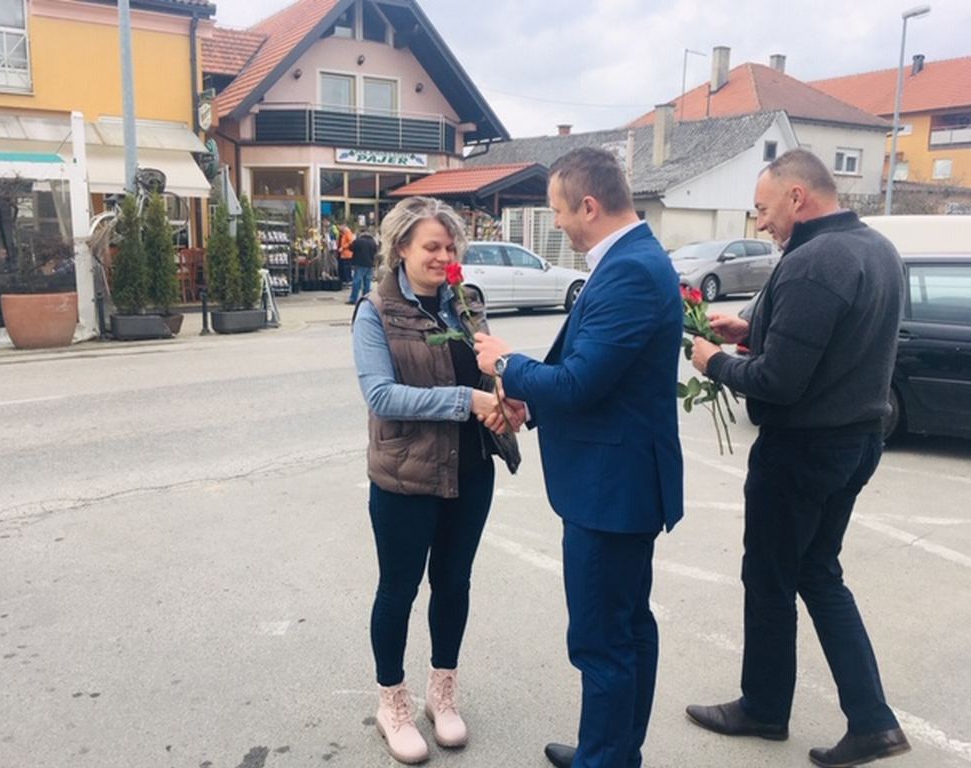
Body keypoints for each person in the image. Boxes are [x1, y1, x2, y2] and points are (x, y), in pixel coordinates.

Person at [685, 149, 910, 768]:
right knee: (817, 571)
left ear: (796, 197)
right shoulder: (877, 249)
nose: (760, 222)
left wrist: (715, 362)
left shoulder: (814, 262)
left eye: (763, 208)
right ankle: (873, 721)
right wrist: (752, 333)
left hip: (804, 449)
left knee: (770, 577)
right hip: (857, 440)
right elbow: (833, 346)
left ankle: (763, 707)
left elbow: (780, 382)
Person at [474, 147, 684, 768]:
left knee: (602, 640)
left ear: (589, 206)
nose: (558, 224)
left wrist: (506, 365)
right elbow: (600, 377)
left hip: (610, 492)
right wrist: (531, 403)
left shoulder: (630, 270)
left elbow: (581, 382)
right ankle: (611, 749)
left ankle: (606, 758)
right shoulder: (630, 260)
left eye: (559, 211)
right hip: (619, 484)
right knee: (626, 628)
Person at [352, 195, 525, 765]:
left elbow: (491, 368)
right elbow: (382, 395)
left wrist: (506, 397)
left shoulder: (466, 303)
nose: (444, 257)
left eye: (451, 247)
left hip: (470, 470)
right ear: (401, 247)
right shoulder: (376, 311)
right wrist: (468, 401)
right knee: (398, 590)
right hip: (405, 476)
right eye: (432, 246)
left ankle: (441, 694)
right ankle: (393, 703)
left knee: (454, 583)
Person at [347, 226, 378, 304]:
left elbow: (350, 248)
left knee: (357, 281)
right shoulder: (372, 242)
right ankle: (366, 299)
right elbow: (375, 251)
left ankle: (353, 299)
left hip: (359, 264)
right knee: (367, 282)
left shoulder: (358, 241)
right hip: (369, 264)